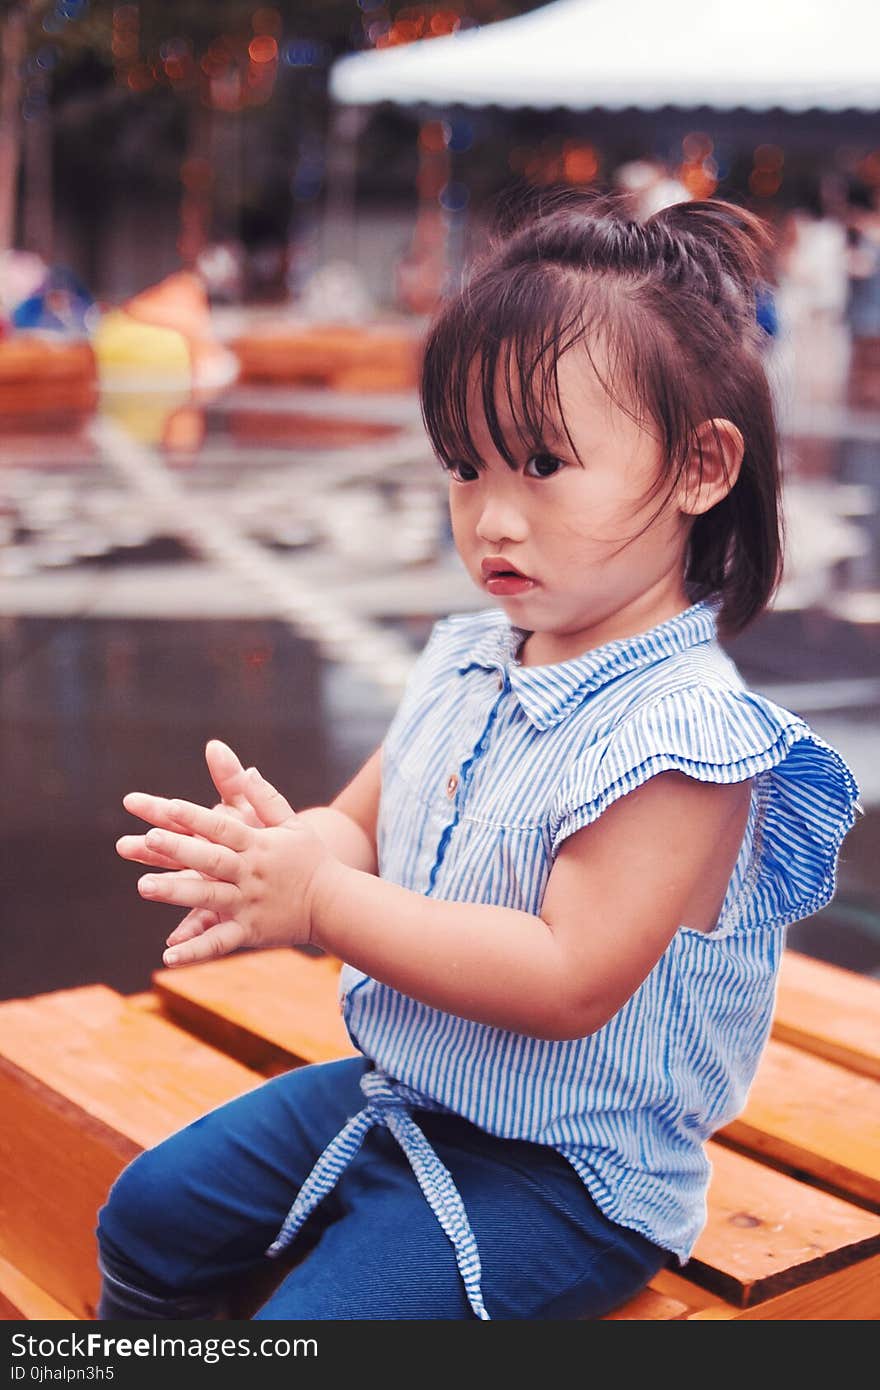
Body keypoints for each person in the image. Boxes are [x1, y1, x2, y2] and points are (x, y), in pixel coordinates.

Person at [98, 194, 862, 1322]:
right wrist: (277, 856)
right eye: (466, 465)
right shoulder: (468, 659)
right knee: (144, 1215)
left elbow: (561, 979)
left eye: (543, 464)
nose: (492, 517)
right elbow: (362, 822)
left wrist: (323, 902)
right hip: (403, 1091)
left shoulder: (686, 740)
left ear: (702, 467)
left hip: (561, 1175)